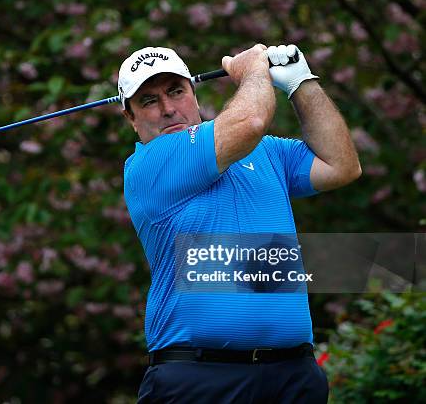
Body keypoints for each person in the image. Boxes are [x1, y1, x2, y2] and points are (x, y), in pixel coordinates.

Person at [118, 44, 361, 403]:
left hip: (293, 376)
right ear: (131, 118)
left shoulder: (266, 151)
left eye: (176, 91)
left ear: (193, 93)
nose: (169, 109)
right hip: (200, 380)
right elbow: (249, 121)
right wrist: (252, 71)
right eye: (149, 100)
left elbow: (342, 165)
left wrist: (302, 84)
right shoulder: (150, 164)